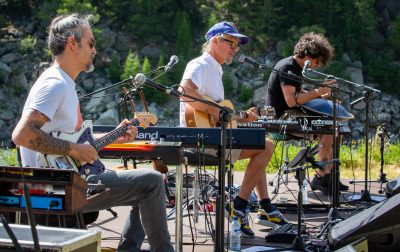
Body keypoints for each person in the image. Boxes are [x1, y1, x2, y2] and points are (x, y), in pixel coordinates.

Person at [12, 13, 174, 252]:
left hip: (66, 179)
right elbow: (22, 135)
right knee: (151, 182)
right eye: (91, 42)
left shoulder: (63, 83)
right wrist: (74, 149)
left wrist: (114, 136)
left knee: (148, 186)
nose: (94, 50)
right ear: (72, 43)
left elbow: (73, 146)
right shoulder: (55, 84)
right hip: (58, 186)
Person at [179, 21, 287, 238]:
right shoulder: (201, 64)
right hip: (202, 140)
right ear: (215, 41)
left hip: (212, 136)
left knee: (261, 144)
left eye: (237, 45)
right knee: (265, 146)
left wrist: (242, 117)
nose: (235, 49)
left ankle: (260, 204)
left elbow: (221, 114)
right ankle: (240, 205)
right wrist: (217, 112)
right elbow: (184, 91)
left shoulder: (214, 69)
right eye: (231, 43)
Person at [265, 32, 349, 195]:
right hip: (282, 118)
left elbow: (299, 92)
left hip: (292, 114)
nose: (317, 66)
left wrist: (321, 96)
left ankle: (328, 174)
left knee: (335, 128)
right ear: (309, 55)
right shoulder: (287, 68)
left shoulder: (296, 68)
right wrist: (318, 92)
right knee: (328, 129)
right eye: (318, 61)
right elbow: (291, 100)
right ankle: (322, 176)